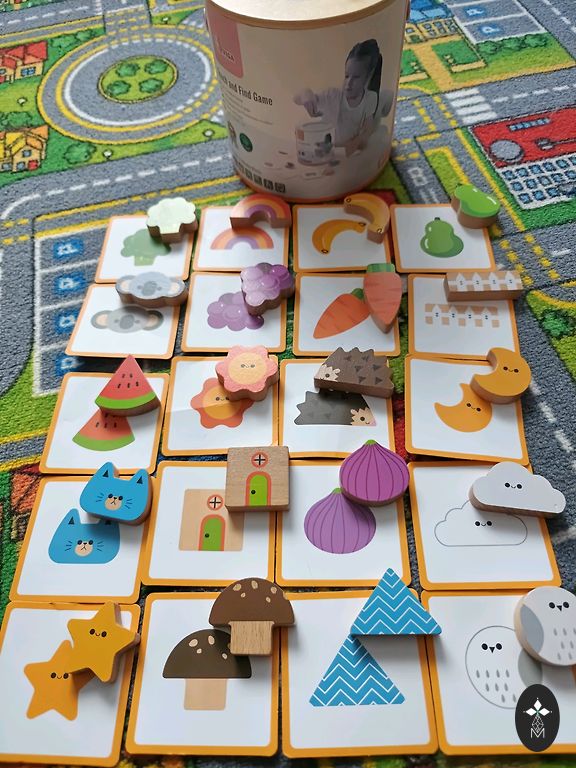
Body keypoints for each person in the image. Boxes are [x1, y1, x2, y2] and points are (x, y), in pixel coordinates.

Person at [294, 39, 384, 152]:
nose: (349, 83)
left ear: (368, 77)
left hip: (343, 154)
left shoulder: (370, 98)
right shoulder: (333, 96)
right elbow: (296, 98)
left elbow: (366, 133)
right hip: (322, 150)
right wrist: (305, 94)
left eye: (356, 77)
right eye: (347, 76)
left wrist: (342, 149)